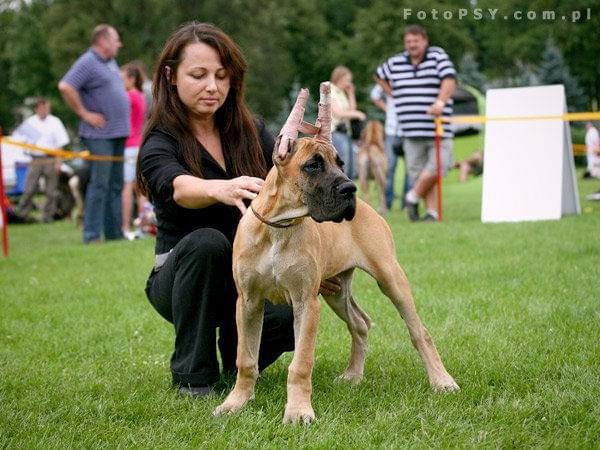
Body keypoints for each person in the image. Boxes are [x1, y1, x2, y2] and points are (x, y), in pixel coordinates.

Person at [137, 22, 314, 397]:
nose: (212, 87)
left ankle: (236, 358)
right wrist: (219, 187)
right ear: (171, 75)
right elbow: (179, 188)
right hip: (180, 277)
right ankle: (193, 377)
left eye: (222, 75)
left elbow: (292, 167)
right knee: (207, 243)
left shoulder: (250, 129)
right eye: (198, 75)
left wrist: (318, 155)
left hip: (246, 272)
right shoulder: (158, 141)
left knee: (285, 314)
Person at [376, 25, 456, 222]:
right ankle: (432, 213)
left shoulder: (437, 56)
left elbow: (449, 80)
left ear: (424, 41)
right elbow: (379, 75)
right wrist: (394, 93)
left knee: (438, 166)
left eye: (416, 41)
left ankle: (411, 197)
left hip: (438, 127)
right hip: (410, 130)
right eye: (408, 41)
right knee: (418, 172)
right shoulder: (396, 62)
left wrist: (440, 102)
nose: (412, 45)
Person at [58, 24, 130, 243]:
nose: (119, 44)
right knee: (100, 183)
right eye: (116, 39)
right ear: (103, 41)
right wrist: (84, 113)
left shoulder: (109, 62)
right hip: (100, 135)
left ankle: (114, 233)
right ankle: (91, 234)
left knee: (115, 184)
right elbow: (65, 86)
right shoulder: (88, 61)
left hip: (117, 133)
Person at [13, 97, 70, 222]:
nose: (44, 110)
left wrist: (58, 161)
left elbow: (60, 143)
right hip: (35, 159)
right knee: (29, 189)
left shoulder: (55, 122)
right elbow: (18, 138)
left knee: (51, 191)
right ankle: (23, 215)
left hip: (50, 158)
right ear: (37, 108)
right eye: (42, 107)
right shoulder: (30, 122)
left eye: (46, 107)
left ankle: (48, 216)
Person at [120, 62, 147, 239]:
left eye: (122, 79)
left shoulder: (129, 96)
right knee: (140, 189)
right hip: (139, 144)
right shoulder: (141, 96)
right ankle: (143, 227)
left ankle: (125, 226)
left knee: (127, 188)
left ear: (131, 79)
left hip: (129, 146)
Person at [369, 84, 407, 210]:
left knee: (410, 170)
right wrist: (387, 109)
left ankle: (407, 203)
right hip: (392, 130)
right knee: (389, 168)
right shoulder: (391, 76)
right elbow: (375, 94)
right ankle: (387, 202)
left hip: (409, 130)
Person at [330, 66, 366, 178]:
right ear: (339, 78)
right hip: (336, 133)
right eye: (347, 80)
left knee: (350, 168)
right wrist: (358, 114)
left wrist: (351, 93)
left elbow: (351, 110)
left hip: (346, 133)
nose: (349, 83)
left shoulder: (341, 93)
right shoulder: (331, 90)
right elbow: (338, 113)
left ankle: (350, 193)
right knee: (342, 168)